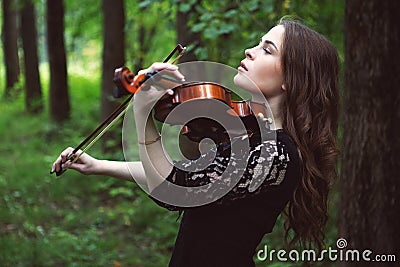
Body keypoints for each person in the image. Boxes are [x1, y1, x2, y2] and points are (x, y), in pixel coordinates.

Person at [51, 18, 339, 266]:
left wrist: (142, 112)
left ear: (291, 77)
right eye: (257, 43)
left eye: (267, 50)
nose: (250, 52)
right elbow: (183, 173)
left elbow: (173, 187)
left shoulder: (277, 154)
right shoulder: (253, 136)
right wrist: (98, 165)